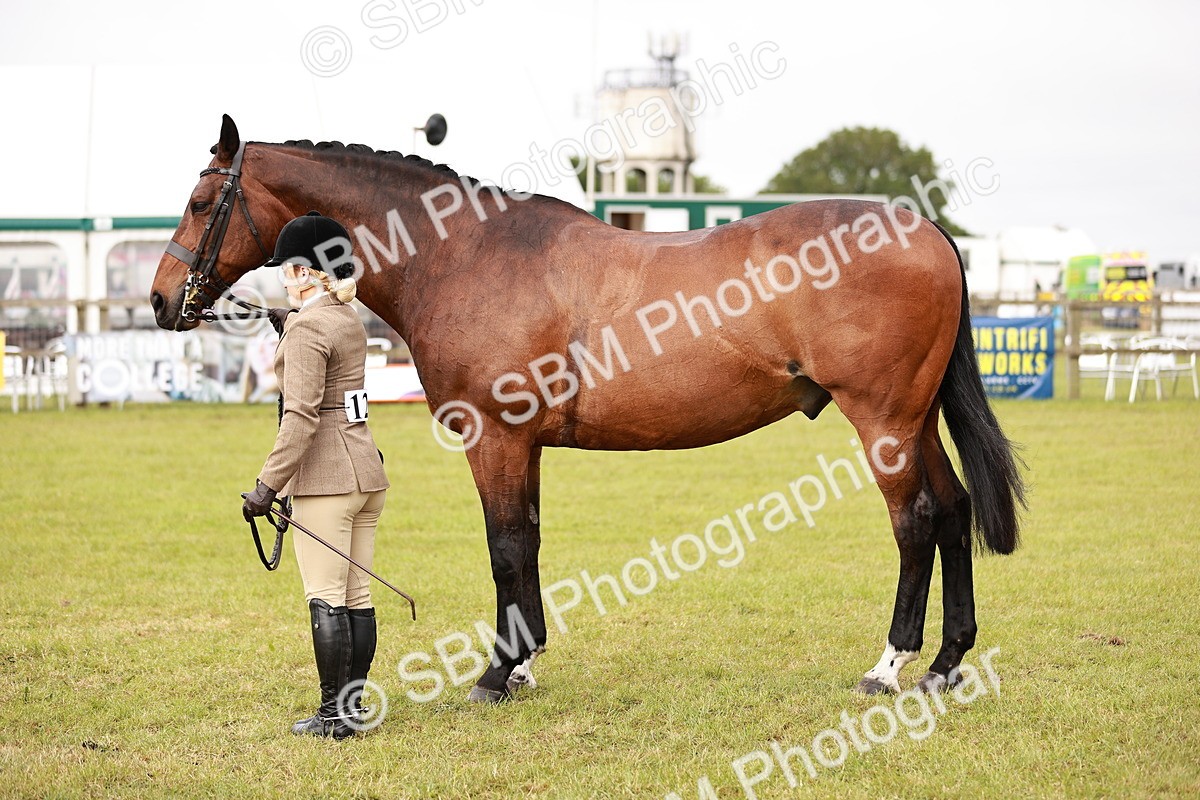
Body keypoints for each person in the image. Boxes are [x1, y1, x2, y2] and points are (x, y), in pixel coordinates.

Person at [242, 212, 389, 740]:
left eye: (289, 269)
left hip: (326, 479)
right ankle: (352, 708)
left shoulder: (308, 327)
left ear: (308, 273)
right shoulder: (346, 317)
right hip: (366, 474)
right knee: (357, 597)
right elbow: (329, 363)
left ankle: (333, 716)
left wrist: (266, 487)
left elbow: (300, 417)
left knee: (325, 597)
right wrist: (292, 320)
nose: (284, 276)